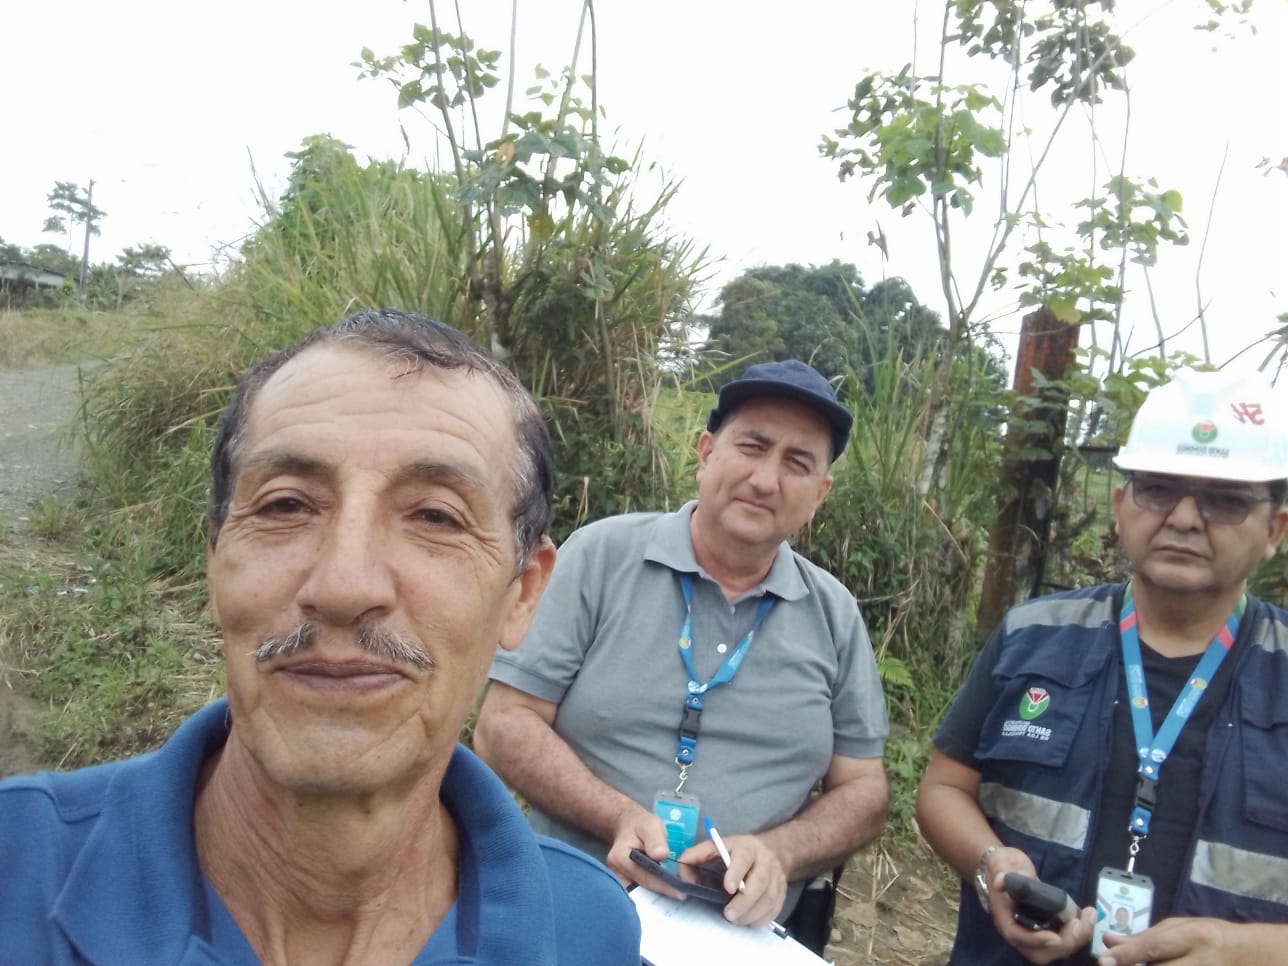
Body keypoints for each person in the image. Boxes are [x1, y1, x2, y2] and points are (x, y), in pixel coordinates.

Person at [0, 309, 641, 965]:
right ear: (216, 559)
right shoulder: (15, 867)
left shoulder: (589, 932)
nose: (343, 586)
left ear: (523, 592)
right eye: (286, 505)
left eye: (435, 516)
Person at [473, 358, 890, 942]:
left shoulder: (835, 613)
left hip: (740, 935)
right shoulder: (600, 557)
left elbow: (865, 790)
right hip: (575, 906)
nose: (765, 479)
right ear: (706, 452)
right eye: (752, 446)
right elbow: (504, 725)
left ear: (819, 494)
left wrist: (781, 853)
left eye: (797, 463)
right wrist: (617, 816)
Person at [916, 368, 1288, 966]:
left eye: (1225, 499)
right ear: (1121, 506)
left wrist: (1237, 949)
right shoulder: (1033, 635)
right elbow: (943, 789)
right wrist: (990, 865)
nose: (1185, 518)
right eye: (1158, 489)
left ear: (1274, 528)